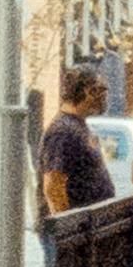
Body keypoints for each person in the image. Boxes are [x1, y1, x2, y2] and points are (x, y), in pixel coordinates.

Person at [37, 67, 113, 216]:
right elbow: (53, 187)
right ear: (84, 91)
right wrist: (69, 231)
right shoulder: (62, 131)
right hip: (72, 233)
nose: (104, 96)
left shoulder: (76, 125)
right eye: (100, 90)